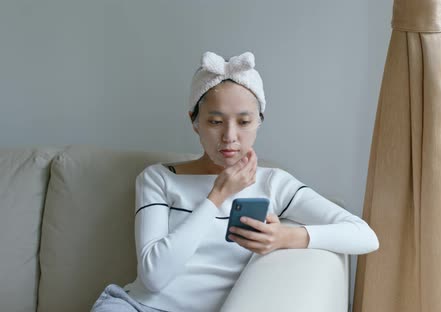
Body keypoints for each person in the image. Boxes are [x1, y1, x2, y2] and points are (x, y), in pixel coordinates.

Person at [91, 51, 379, 312]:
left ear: (259, 122)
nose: (230, 136)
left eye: (243, 122)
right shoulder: (159, 178)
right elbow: (154, 277)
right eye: (215, 122)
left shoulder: (274, 184)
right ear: (194, 121)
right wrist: (216, 196)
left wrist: (285, 237)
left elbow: (365, 236)